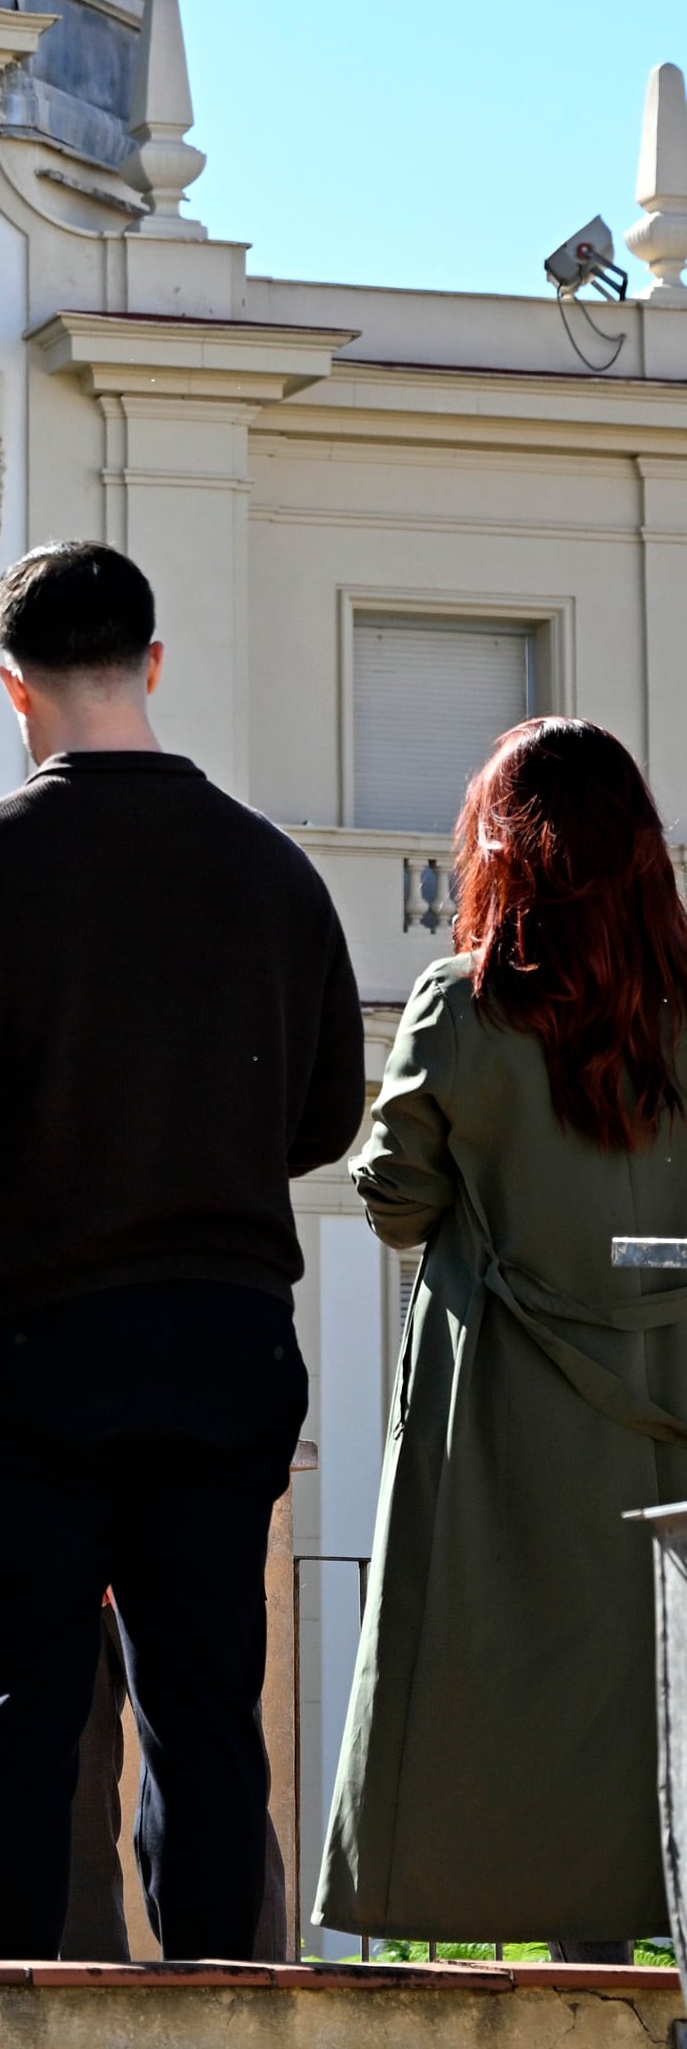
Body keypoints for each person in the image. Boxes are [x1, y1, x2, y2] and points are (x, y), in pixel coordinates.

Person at [0, 539, 364, 1959]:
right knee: (205, 1710)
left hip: (31, 1339)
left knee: (17, 1699)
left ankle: (12, 2001)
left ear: (12, 683)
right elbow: (325, 1114)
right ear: (153, 662)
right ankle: (214, 2000)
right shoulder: (275, 871)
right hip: (222, 1330)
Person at [318, 717, 687, 1951]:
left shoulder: (463, 1006)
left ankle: (560, 1958)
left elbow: (397, 1198)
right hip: (673, 1404)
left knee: (508, 1689)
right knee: (662, 1688)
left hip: (513, 1419)